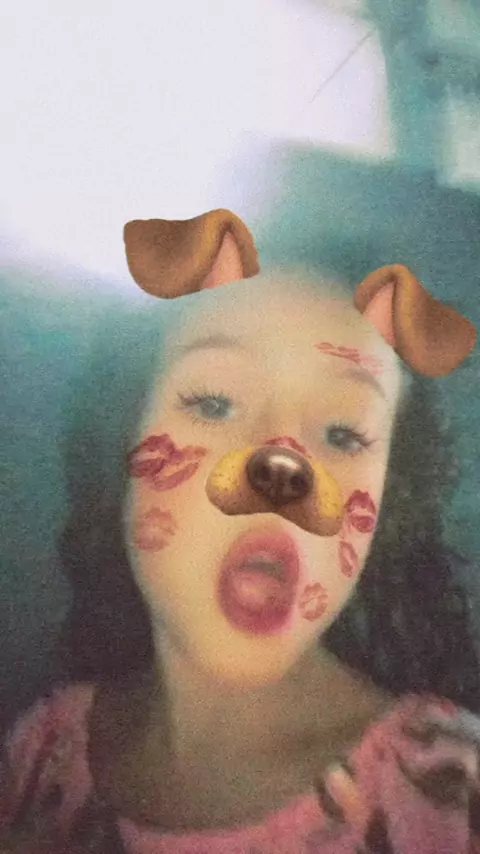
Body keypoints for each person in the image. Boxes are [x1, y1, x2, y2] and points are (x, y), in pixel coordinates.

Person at [1, 221, 479, 852]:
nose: (283, 466)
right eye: (214, 403)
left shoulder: (451, 793)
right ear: (123, 436)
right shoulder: (40, 753)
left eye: (343, 434)